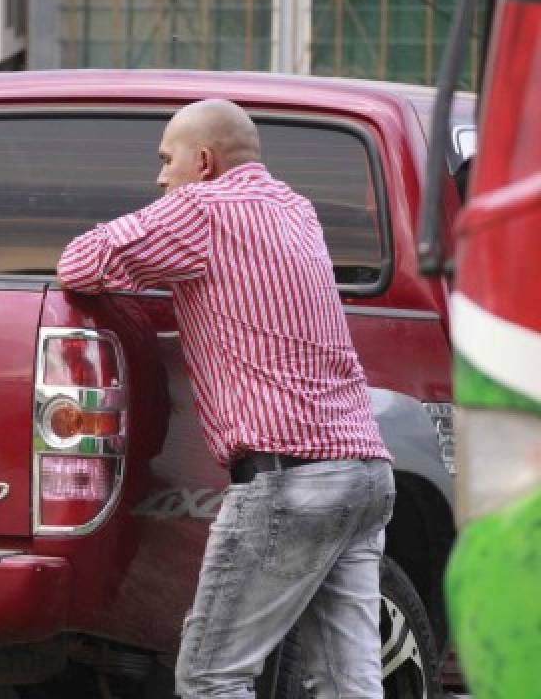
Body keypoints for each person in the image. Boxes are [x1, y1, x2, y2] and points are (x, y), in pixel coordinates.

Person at [57, 99, 394, 697]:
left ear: (204, 161)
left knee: (213, 678)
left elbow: (80, 263)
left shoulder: (201, 209)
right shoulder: (296, 209)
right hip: (365, 473)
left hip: (288, 483)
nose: (160, 177)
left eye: (167, 159)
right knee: (350, 682)